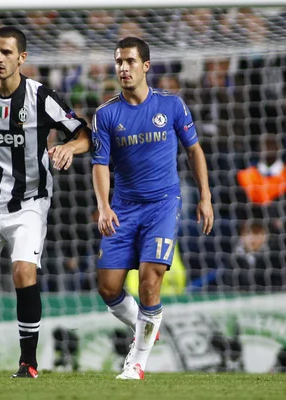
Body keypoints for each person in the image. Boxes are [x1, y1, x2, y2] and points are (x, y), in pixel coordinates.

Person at [0, 26, 91, 379]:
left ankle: (28, 362)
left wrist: (69, 147)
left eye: (6, 53)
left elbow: (85, 133)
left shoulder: (42, 97)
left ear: (21, 58)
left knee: (23, 272)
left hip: (29, 201)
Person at [91, 37, 213, 380]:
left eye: (130, 61)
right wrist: (103, 206)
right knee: (108, 287)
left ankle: (137, 362)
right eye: (118, 62)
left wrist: (204, 196)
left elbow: (194, 151)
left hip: (162, 205)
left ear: (146, 66)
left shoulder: (172, 106)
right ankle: (146, 326)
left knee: (149, 282)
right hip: (123, 207)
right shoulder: (106, 114)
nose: (123, 68)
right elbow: (99, 164)